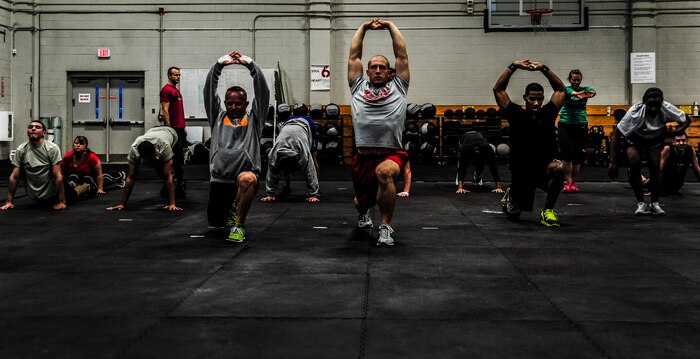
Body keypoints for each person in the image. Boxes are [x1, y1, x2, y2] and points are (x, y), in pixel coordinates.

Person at [348, 18, 410, 246]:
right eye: (373, 67)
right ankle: (363, 212)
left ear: (390, 72)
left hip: (390, 153)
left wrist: (390, 26)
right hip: (363, 156)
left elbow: (402, 55)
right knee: (361, 201)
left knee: (385, 174)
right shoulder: (358, 86)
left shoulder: (399, 86)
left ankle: (385, 228)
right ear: (367, 71)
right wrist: (363, 28)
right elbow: (353, 56)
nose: (376, 70)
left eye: (382, 67)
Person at [204, 51, 269, 242]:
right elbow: (209, 90)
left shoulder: (254, 119)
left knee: (247, 180)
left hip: (245, 174)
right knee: (216, 223)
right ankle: (232, 208)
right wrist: (218, 66)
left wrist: (251, 65)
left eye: (238, 103)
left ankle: (239, 225)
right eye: (230, 103)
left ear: (246, 104)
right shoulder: (217, 116)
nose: (233, 107)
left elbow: (263, 92)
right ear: (224, 103)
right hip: (220, 179)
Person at [493, 60, 566, 227]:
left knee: (560, 168)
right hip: (522, 168)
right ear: (525, 97)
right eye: (532, 99)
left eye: (539, 99)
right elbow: (498, 89)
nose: (536, 103)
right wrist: (513, 66)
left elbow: (561, 89)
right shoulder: (514, 112)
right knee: (515, 215)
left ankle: (548, 211)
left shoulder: (548, 112)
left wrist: (543, 68)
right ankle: (512, 195)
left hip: (544, 165)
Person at [608, 87, 691, 215]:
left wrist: (678, 131)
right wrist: (613, 161)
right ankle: (641, 204)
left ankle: (654, 204)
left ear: (661, 104)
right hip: (635, 137)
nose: (653, 109)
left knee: (655, 167)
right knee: (634, 162)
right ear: (644, 102)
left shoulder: (667, 108)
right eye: (650, 106)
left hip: (655, 138)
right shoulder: (635, 112)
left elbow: (687, 119)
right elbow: (616, 136)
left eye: (656, 106)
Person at [106, 126, 185, 211]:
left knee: (177, 166)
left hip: (171, 133)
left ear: (155, 149)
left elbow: (167, 175)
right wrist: (122, 204)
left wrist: (172, 204)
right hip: (153, 133)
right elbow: (131, 177)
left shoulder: (164, 146)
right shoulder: (134, 150)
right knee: (160, 166)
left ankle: (180, 183)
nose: (157, 158)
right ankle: (170, 185)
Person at [1, 120, 66, 210]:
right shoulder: (21, 150)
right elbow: (14, 177)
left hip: (54, 193)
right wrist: (9, 202)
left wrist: (62, 202)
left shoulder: (52, 148)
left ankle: (84, 186)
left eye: (37, 127)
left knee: (77, 193)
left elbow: (57, 176)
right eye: (31, 127)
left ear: (44, 133)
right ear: (28, 132)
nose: (33, 129)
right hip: (36, 196)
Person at [260, 116, 320, 203]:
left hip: (306, 124)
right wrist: (270, 194)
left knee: (313, 158)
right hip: (287, 124)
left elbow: (310, 171)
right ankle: (287, 187)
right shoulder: (274, 155)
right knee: (285, 167)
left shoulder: (303, 153)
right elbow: (271, 173)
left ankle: (317, 189)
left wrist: (313, 194)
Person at [558, 69, 596, 193]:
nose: (576, 81)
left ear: (581, 80)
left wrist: (586, 93)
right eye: (573, 79)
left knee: (577, 155)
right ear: (570, 80)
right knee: (567, 155)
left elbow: (592, 92)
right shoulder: (566, 89)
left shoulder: (586, 88)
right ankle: (566, 181)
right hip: (565, 125)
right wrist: (579, 94)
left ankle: (573, 182)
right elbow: (572, 93)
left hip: (580, 126)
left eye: (578, 80)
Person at [61, 136, 125, 203]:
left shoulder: (91, 157)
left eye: (81, 143)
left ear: (85, 147)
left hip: (92, 177)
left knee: (104, 178)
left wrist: (100, 189)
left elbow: (99, 174)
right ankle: (74, 185)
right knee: (73, 176)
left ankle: (120, 175)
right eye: (76, 143)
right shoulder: (68, 156)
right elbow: (63, 173)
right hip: (77, 177)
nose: (78, 145)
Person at [161, 66, 188, 150]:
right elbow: (165, 110)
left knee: (184, 150)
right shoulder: (166, 90)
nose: (178, 77)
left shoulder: (176, 90)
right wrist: (169, 129)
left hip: (180, 126)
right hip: (173, 127)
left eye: (179, 75)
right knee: (176, 152)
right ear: (169, 76)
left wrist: (183, 127)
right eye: (176, 75)